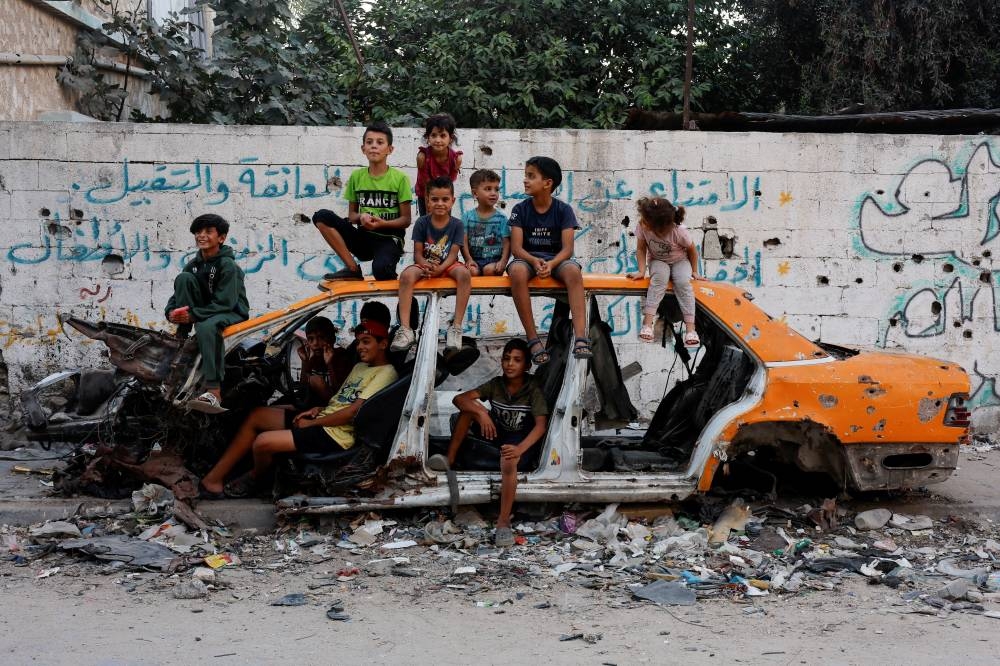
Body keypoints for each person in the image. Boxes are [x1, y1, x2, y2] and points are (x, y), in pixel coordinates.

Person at [199, 304, 397, 498]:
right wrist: (317, 409)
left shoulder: (386, 372)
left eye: (366, 342)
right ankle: (213, 479)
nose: (360, 347)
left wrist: (311, 423)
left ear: (383, 343)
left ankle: (256, 478)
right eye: (359, 341)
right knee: (257, 415)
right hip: (324, 418)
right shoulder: (361, 367)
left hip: (336, 434)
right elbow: (340, 399)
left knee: (262, 443)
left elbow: (352, 412)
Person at [436, 338, 548, 547]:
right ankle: (448, 462)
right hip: (500, 434)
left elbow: (541, 425)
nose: (510, 364)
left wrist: (519, 449)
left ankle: (503, 522)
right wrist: (481, 413)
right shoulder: (496, 384)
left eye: (517, 360)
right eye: (506, 359)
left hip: (522, 442)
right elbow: (459, 400)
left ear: (527, 365)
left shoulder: (533, 388)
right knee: (467, 411)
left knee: (508, 460)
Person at [507, 156, 591, 363]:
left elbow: (567, 249)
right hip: (527, 260)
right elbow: (517, 249)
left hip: (556, 260)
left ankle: (581, 337)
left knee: (573, 271)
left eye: (531, 176)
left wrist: (552, 264)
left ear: (547, 183)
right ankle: (533, 339)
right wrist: (534, 262)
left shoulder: (563, 210)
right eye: (526, 175)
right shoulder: (520, 209)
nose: (525, 180)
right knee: (516, 271)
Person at [165, 213, 249, 413]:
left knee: (207, 326)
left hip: (231, 312)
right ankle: (182, 336)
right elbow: (175, 298)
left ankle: (214, 391)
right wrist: (172, 313)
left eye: (208, 232)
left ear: (221, 238)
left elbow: (225, 303)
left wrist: (194, 315)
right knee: (183, 278)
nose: (201, 236)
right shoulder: (192, 266)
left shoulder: (228, 266)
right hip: (203, 311)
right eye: (198, 232)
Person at [312, 121, 412, 281]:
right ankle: (352, 269)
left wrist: (382, 224)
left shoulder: (400, 179)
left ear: (390, 149)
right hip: (363, 237)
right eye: (369, 142)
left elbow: (406, 220)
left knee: (381, 272)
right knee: (321, 216)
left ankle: (388, 269)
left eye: (380, 142)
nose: (374, 146)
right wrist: (361, 217)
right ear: (363, 149)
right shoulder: (357, 177)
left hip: (389, 239)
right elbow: (352, 215)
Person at [391, 176, 472, 353]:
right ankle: (405, 329)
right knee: (406, 276)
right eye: (435, 199)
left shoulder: (457, 224)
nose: (440, 203)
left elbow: (453, 254)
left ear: (453, 201)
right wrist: (425, 265)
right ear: (427, 201)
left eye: (445, 199)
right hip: (425, 264)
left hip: (448, 265)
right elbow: (418, 253)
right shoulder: (422, 222)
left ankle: (456, 327)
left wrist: (441, 269)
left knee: (465, 275)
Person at [626, 197, 703, 345]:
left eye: (648, 223)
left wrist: (695, 271)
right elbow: (641, 248)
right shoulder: (642, 226)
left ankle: (691, 329)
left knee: (682, 282)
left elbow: (692, 251)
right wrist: (641, 271)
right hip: (658, 260)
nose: (644, 224)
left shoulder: (678, 231)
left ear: (662, 226)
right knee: (659, 279)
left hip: (680, 261)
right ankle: (647, 324)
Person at [461, 169, 510, 276]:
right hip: (475, 260)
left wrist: (503, 262)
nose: (493, 193)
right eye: (488, 189)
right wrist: (468, 259)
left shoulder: (502, 218)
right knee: (472, 271)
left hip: (495, 262)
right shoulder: (467, 217)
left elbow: (507, 243)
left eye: (496, 189)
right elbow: (463, 242)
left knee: (489, 270)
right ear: (475, 193)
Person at [296, 316, 353, 407]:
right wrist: (305, 362)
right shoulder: (313, 359)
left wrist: (329, 364)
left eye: (321, 338)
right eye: (311, 339)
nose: (315, 343)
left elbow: (341, 394)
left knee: (316, 380)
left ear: (332, 339)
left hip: (335, 409)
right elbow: (302, 392)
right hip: (313, 407)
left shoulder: (342, 357)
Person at [415, 113, 463, 217]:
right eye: (433, 135)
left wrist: (444, 200)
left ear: (450, 138)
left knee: (444, 226)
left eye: (442, 136)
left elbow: (450, 183)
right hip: (425, 194)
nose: (438, 140)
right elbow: (425, 184)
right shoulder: (423, 157)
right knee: (427, 225)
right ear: (428, 137)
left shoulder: (455, 158)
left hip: (444, 195)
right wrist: (429, 209)